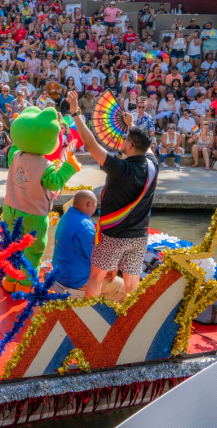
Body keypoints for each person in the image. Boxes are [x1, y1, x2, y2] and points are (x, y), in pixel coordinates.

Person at [66, 91, 158, 299]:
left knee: (96, 278)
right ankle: (131, 322)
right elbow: (146, 145)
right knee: (132, 285)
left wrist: (76, 114)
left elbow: (90, 144)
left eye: (126, 139)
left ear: (129, 145)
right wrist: (132, 124)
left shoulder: (119, 168)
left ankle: (89, 316)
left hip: (113, 236)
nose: (124, 141)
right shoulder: (153, 166)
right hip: (139, 237)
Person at [51, 190, 126, 302]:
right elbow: (100, 260)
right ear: (89, 205)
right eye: (95, 206)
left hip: (61, 273)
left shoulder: (66, 216)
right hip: (77, 281)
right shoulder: (84, 226)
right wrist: (113, 267)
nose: (95, 209)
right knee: (127, 289)